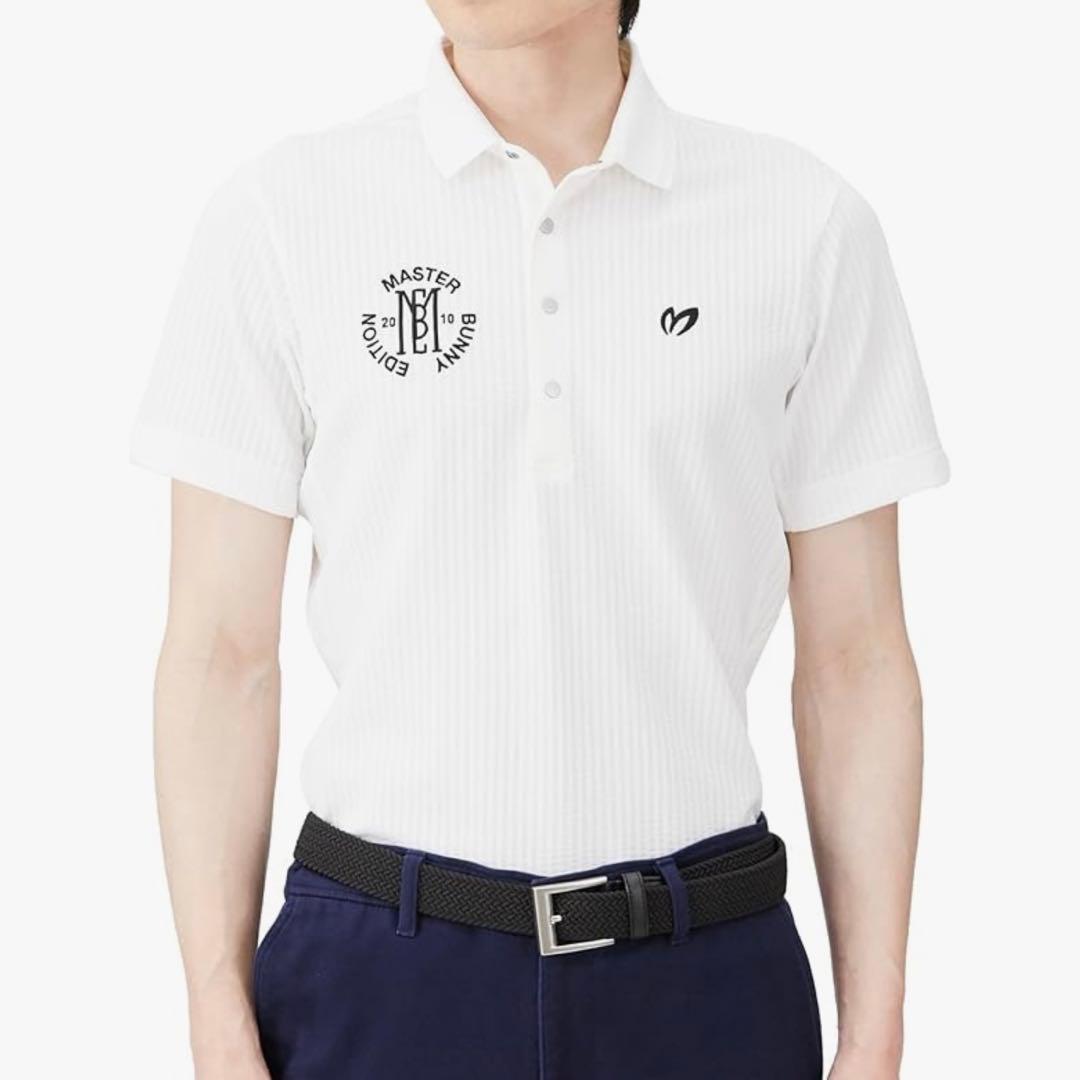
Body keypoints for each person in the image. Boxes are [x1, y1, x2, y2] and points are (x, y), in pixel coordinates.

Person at [130, 1, 949, 1077]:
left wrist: (876, 1026)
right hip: (381, 971)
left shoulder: (801, 222)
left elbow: (856, 657)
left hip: (704, 975)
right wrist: (215, 1013)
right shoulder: (285, 215)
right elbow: (220, 653)